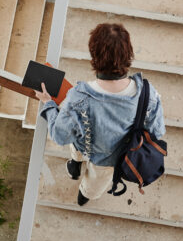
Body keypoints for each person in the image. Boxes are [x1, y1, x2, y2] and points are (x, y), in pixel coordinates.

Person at [35, 23, 165, 206]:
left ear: (93, 55)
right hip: (111, 160)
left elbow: (60, 135)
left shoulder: (79, 97)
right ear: (129, 53)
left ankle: (75, 163)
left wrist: (49, 104)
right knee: (95, 184)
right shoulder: (148, 94)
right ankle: (85, 194)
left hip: (84, 142)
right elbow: (157, 132)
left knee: (77, 135)